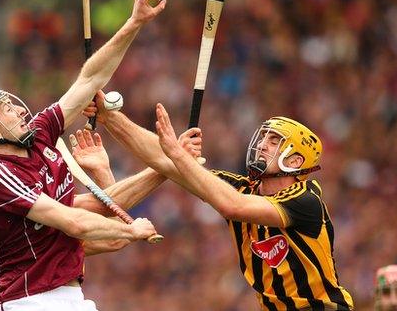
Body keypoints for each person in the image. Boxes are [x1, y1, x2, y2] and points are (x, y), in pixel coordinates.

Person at [0, 0, 174, 311]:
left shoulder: (40, 134)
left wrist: (134, 22)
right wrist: (133, 230)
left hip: (72, 300)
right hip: (31, 304)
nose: (18, 110)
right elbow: (77, 224)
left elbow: (89, 81)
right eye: (6, 110)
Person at [85, 92, 355, 310]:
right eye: (263, 138)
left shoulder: (306, 200)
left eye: (274, 141)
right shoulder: (241, 188)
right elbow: (161, 159)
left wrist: (178, 157)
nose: (262, 145)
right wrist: (110, 117)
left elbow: (232, 206)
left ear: (295, 161)